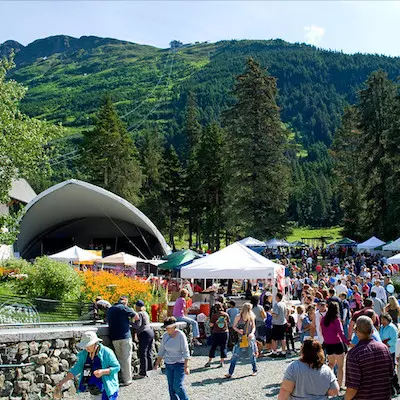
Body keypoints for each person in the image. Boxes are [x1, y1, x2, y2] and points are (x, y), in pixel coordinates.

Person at [56, 331, 120, 400]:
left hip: (106, 391)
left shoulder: (107, 352)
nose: (86, 348)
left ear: (95, 343)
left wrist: (102, 372)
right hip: (93, 390)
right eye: (85, 345)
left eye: (88, 345)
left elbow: (117, 367)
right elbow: (75, 369)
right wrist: (62, 382)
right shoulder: (84, 354)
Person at [345, 316, 394, 400]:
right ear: (372, 331)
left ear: (356, 331)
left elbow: (353, 387)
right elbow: (391, 374)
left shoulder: (354, 354)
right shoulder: (384, 348)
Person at [154, 317, 190, 400]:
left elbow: (185, 351)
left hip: (179, 364)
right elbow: (161, 350)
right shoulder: (165, 336)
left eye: (168, 327)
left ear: (174, 327)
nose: (166, 329)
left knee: (177, 386)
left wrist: (186, 366)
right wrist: (157, 364)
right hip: (168, 364)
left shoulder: (181, 335)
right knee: (171, 387)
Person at [107, 296, 138, 386]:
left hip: (114, 337)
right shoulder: (124, 308)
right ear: (125, 302)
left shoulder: (111, 309)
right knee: (127, 359)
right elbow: (136, 317)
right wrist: (131, 309)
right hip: (125, 336)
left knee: (119, 359)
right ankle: (127, 380)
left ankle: (119, 378)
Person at [321, 301, 350, 389]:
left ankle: (328, 383)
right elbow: (341, 333)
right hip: (337, 344)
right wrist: (348, 343)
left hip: (328, 344)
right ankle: (339, 385)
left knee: (331, 364)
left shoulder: (323, 319)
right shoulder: (336, 320)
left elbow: (323, 332)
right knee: (340, 366)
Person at [225, 303, 257, 378]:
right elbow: (234, 326)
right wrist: (239, 331)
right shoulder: (238, 316)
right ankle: (230, 372)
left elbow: (254, 327)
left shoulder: (251, 316)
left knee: (251, 355)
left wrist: (252, 333)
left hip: (249, 338)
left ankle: (254, 370)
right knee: (235, 355)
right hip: (241, 338)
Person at [131, 299, 154, 379]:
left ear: (136, 306)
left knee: (143, 353)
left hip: (144, 333)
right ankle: (150, 370)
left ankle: (142, 372)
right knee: (149, 352)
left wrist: (131, 323)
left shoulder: (139, 314)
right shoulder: (145, 313)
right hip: (150, 332)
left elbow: (138, 325)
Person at [204, 303, 229, 368]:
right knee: (223, 347)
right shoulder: (225, 314)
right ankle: (222, 362)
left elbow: (211, 325)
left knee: (213, 347)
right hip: (225, 332)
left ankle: (209, 361)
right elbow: (228, 322)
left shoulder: (214, 315)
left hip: (216, 332)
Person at [270, 292, 287, 358]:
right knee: (283, 338)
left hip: (277, 323)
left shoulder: (276, 305)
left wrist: (271, 313)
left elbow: (275, 315)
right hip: (283, 322)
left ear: (277, 297)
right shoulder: (284, 304)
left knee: (274, 339)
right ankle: (283, 351)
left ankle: (274, 352)